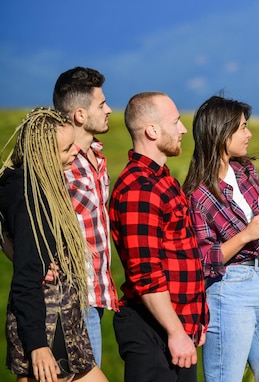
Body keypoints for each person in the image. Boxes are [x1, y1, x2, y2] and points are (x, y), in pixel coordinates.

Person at [182, 95, 259, 382]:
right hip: (231, 292)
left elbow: (258, 224)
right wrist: (247, 234)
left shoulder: (245, 171)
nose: (249, 134)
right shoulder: (198, 194)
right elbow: (206, 258)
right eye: (242, 127)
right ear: (220, 132)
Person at [0, 107, 108, 382]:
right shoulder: (30, 198)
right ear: (43, 155)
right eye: (66, 148)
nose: (75, 152)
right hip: (47, 324)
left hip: (65, 319)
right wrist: (37, 346)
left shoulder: (36, 183)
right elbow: (26, 279)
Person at [109, 92, 208, 382]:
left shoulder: (162, 179)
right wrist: (176, 332)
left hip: (173, 329)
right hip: (154, 330)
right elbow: (146, 272)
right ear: (152, 130)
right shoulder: (140, 188)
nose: (183, 129)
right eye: (175, 121)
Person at [52, 66, 118, 367]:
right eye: (101, 104)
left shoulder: (98, 158)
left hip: (96, 295)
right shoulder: (57, 163)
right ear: (80, 114)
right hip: (71, 298)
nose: (109, 110)